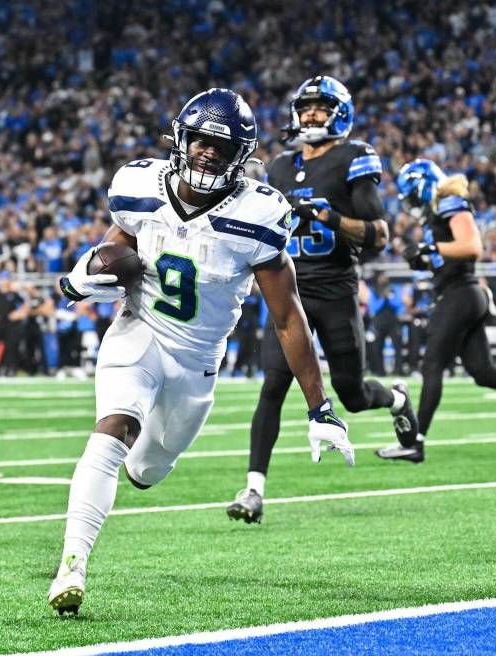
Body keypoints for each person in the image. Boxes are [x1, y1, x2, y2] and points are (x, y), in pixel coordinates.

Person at [47, 88, 355, 616]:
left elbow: (288, 317)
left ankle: (130, 472)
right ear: (181, 140)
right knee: (113, 428)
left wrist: (319, 407)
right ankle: (72, 563)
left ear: (241, 155)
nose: (208, 152)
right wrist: (84, 275)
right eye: (201, 141)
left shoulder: (259, 213)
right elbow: (115, 248)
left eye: (222, 145)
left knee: (146, 472)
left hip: (197, 361)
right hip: (139, 331)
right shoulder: (139, 186)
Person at [225, 76, 416, 525]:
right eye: (306, 107)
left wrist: (327, 215)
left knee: (352, 393)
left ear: (339, 113)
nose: (311, 114)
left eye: (321, 107)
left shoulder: (353, 157)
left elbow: (379, 236)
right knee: (273, 384)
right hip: (288, 289)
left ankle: (396, 398)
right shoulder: (278, 167)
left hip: (335, 290)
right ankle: (253, 489)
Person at [375, 159, 496, 464]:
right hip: (460, 293)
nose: (412, 203)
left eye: (413, 195)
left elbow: (471, 247)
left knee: (432, 364)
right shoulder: (436, 212)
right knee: (483, 372)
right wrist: (424, 261)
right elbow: (449, 256)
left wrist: (431, 249)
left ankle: (415, 443)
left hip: (462, 294)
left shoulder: (449, 202)